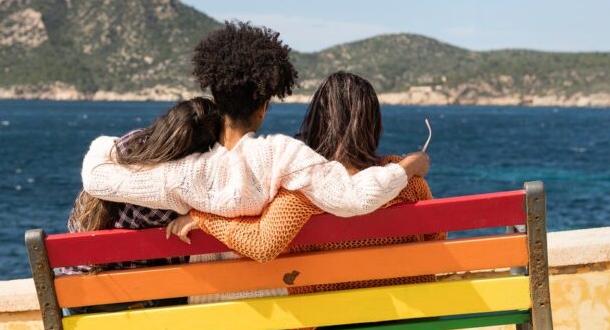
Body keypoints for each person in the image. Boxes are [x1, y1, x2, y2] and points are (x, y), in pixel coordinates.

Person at [166, 72, 446, 330]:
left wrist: (202, 217)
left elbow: (261, 245)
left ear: (318, 121)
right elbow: (436, 242)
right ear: (373, 123)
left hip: (327, 313)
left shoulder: (303, 188)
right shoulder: (405, 181)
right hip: (404, 305)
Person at [81, 21, 431, 219]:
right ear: (264, 104)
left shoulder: (185, 173)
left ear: (215, 95)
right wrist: (410, 166)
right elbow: (352, 198)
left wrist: (106, 144)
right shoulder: (281, 155)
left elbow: (96, 179)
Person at [63, 97, 251, 330]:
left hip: (81, 310)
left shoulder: (125, 149)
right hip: (131, 319)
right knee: (170, 304)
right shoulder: (175, 192)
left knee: (158, 297)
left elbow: (102, 147)